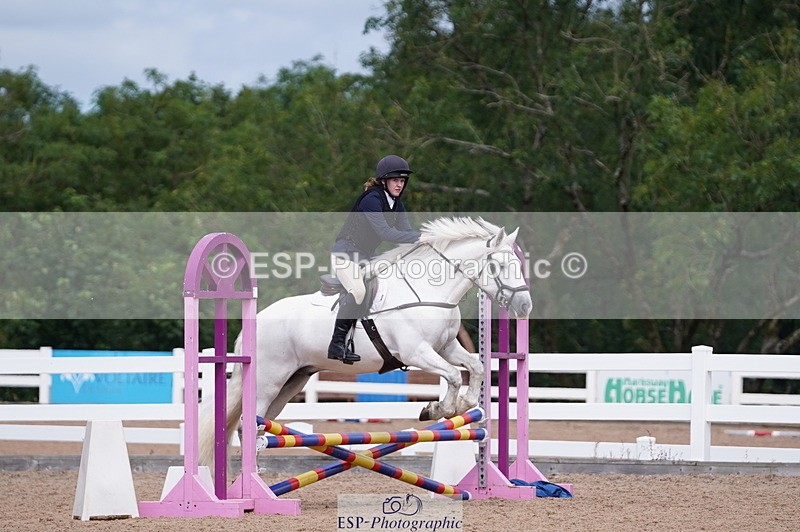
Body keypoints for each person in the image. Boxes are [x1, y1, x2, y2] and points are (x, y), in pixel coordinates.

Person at [327, 154, 426, 363]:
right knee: (359, 290)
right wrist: (422, 236)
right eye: (395, 180)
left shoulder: (396, 204)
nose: (400, 185)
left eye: (402, 181)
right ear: (384, 180)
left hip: (365, 257)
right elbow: (387, 234)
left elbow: (406, 234)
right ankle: (336, 344)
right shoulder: (371, 199)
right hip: (345, 254)